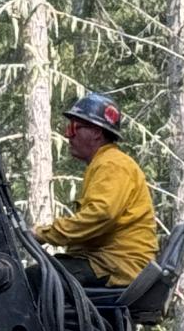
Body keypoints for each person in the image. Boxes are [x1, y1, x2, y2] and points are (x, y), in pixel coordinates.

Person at [33, 92, 158, 287]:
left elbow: (101, 214)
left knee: (28, 283)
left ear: (97, 132)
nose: (68, 134)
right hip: (108, 263)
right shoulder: (105, 164)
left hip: (116, 266)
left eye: (74, 127)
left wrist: (44, 234)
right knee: (41, 275)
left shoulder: (112, 164)